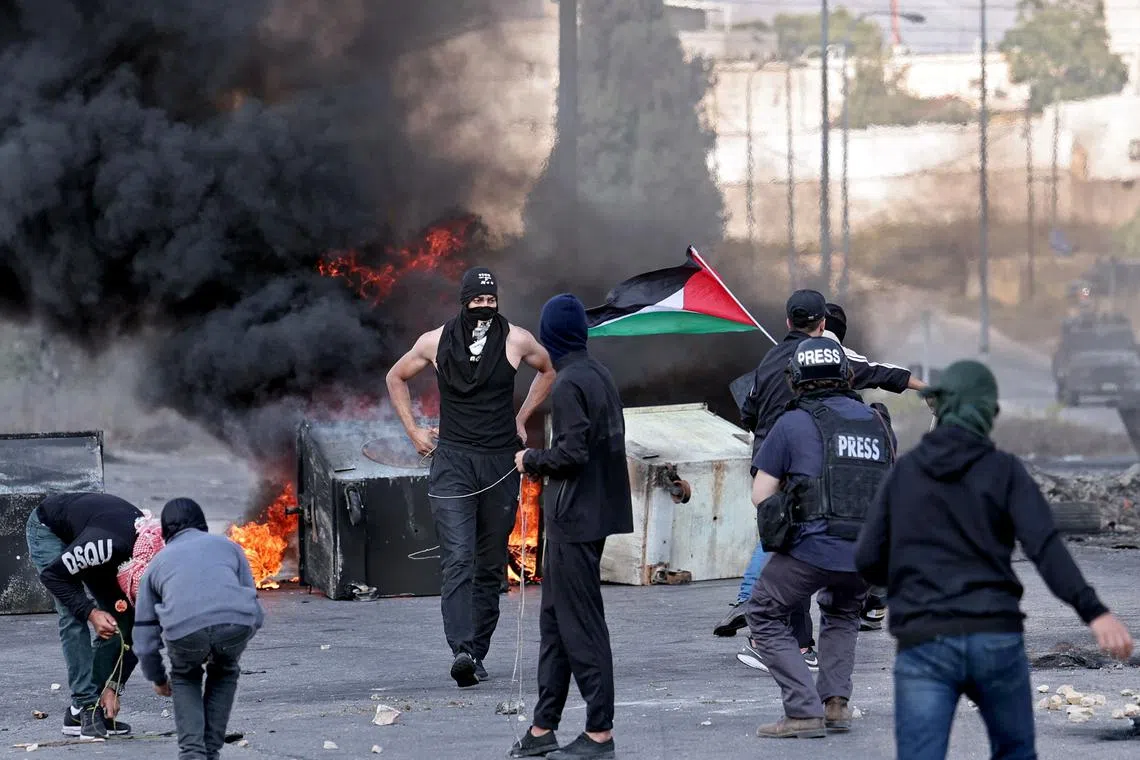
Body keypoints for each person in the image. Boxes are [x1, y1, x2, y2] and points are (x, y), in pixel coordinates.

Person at [854, 360, 1134, 760]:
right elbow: (1046, 549)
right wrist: (1096, 613)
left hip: (924, 640)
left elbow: (867, 558)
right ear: (988, 411)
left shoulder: (905, 474)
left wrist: (906, 584)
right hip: (995, 639)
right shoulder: (1005, 472)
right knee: (1015, 752)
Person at [717, 294, 921, 663]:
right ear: (823, 324)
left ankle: (794, 640)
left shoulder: (770, 361)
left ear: (786, 320)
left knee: (782, 543)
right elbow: (882, 373)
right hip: (813, 469)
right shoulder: (833, 358)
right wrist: (930, 389)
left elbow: (749, 409)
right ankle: (812, 644)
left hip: (771, 462)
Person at [386, 266, 556, 688]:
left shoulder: (516, 338)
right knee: (458, 557)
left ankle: (475, 653)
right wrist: (413, 431)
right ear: (464, 301)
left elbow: (549, 369)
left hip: (499, 463)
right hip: (454, 462)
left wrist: (521, 418)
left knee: (489, 562)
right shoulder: (435, 340)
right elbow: (396, 377)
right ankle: (460, 648)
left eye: (490, 300)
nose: (483, 307)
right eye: (476, 301)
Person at [746, 336, 896, 738]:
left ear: (795, 379)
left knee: (763, 612)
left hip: (813, 547)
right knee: (843, 612)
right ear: (847, 375)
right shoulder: (878, 421)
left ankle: (802, 710)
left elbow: (762, 495)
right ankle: (835, 705)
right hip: (868, 554)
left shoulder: (791, 422)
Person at [507, 294, 633, 760]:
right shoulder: (597, 373)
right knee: (555, 625)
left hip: (576, 520)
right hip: (589, 517)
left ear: (552, 335)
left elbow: (572, 454)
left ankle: (600, 732)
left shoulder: (568, 384)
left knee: (581, 626)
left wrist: (531, 460)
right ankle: (544, 727)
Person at [134, 498, 265, 760]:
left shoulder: (156, 565)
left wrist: (158, 678)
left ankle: (193, 754)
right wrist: (241, 634)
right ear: (202, 524)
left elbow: (144, 633)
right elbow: (251, 599)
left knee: (185, 675)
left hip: (184, 632)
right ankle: (210, 751)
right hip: (235, 625)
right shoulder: (230, 547)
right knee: (225, 670)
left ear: (166, 533)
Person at [24, 492, 147, 739]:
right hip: (51, 529)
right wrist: (90, 612)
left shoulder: (148, 556)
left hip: (97, 537)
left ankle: (90, 704)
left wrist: (113, 685)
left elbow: (144, 630)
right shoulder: (105, 546)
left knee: (126, 618)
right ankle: (85, 706)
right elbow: (53, 577)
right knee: (73, 615)